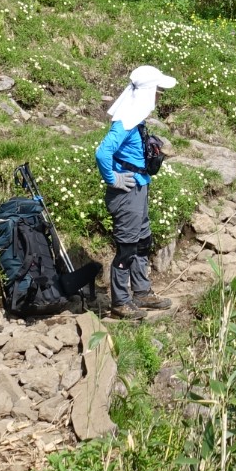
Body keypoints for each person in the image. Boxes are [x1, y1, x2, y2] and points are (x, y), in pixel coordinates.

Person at [95, 65, 178, 320]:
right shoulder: (125, 123)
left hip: (139, 187)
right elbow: (102, 152)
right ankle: (120, 302)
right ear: (147, 92)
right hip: (127, 193)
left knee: (143, 241)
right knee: (127, 247)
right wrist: (113, 178)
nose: (159, 96)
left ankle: (141, 292)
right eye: (158, 91)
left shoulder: (135, 118)